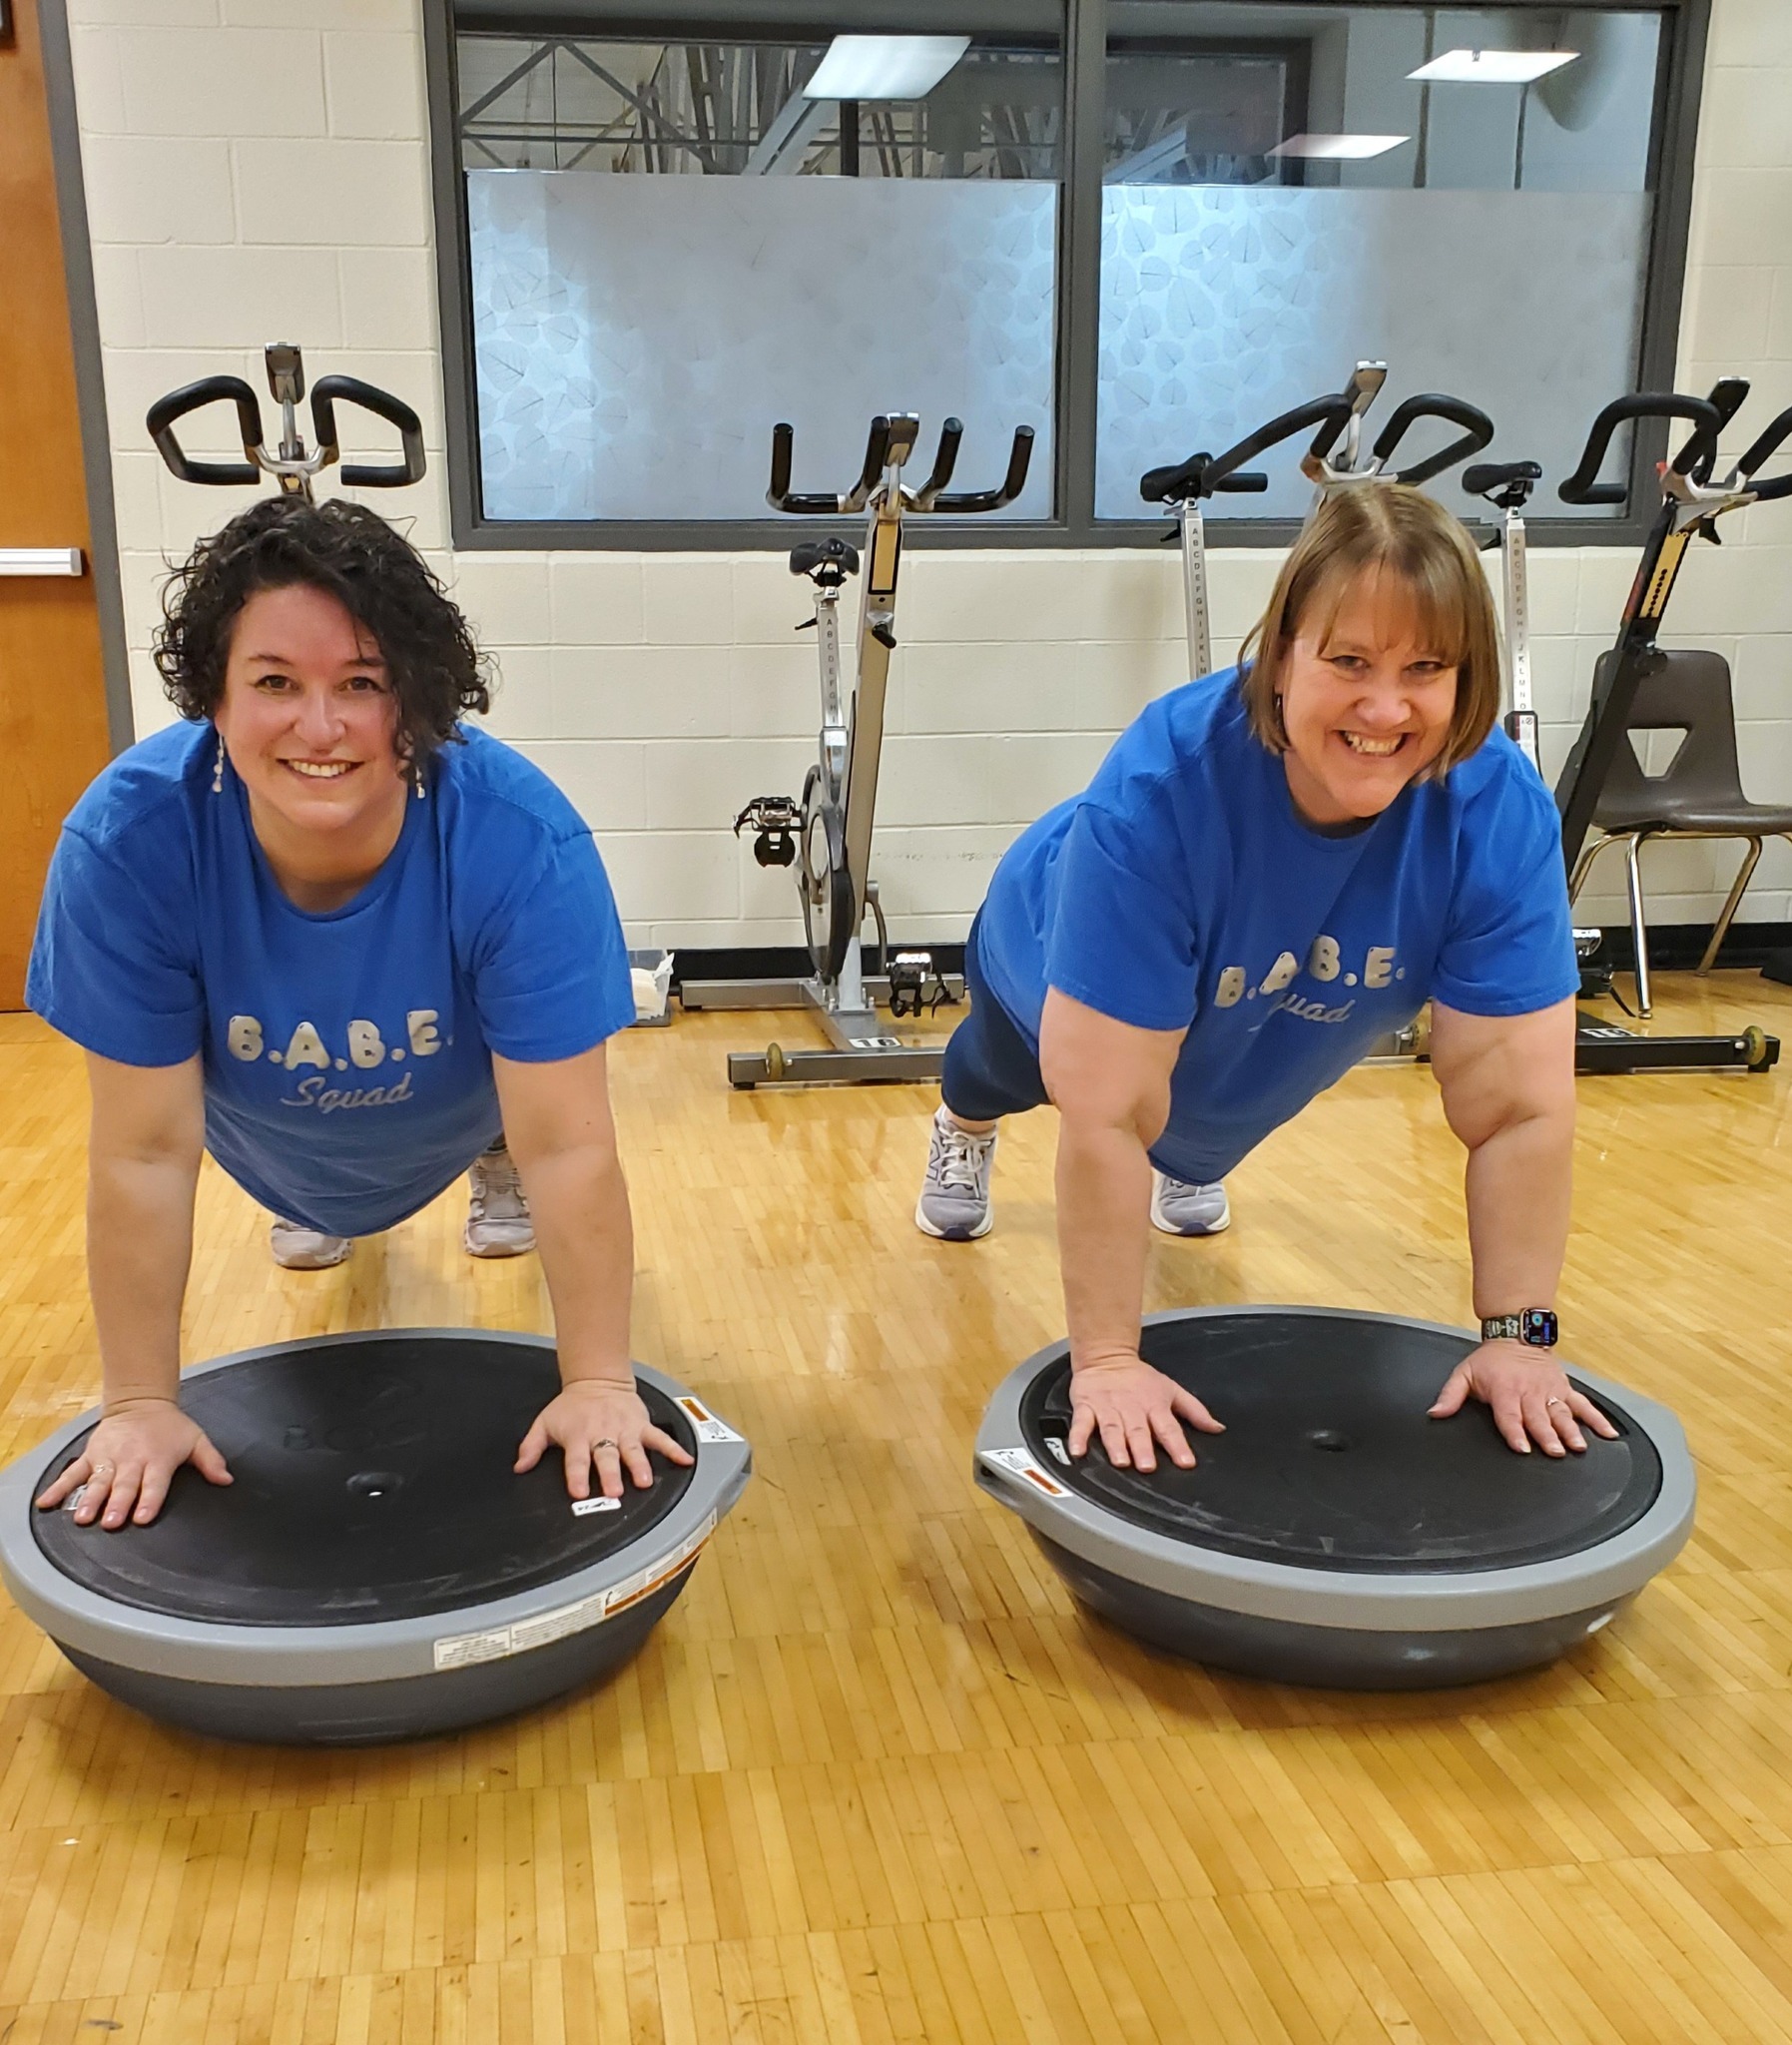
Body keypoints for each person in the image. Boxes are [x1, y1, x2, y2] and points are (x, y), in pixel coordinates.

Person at [915, 484, 1614, 1470]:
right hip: (1045, 946)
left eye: (1425, 668)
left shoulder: (1496, 814)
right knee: (1007, 1070)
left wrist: (1518, 1334)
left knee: (1195, 1130)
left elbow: (1517, 1109)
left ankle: (1191, 1154)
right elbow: (1107, 1115)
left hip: (1263, 1011)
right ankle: (962, 1126)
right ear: (1281, 653)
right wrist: (1107, 1358)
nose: (1384, 705)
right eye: (1348, 661)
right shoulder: (1160, 795)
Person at [29, 495, 689, 1530]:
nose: (321, 726)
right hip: (258, 1120)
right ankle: (314, 1183)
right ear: (212, 695)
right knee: (294, 1175)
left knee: (531, 1126)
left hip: (474, 1098)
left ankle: (484, 1155)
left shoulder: (521, 843)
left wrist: (600, 1381)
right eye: (275, 683)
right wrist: (141, 1402)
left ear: (418, 699)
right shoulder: (128, 843)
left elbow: (570, 1144)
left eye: (363, 683)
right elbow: (145, 1154)